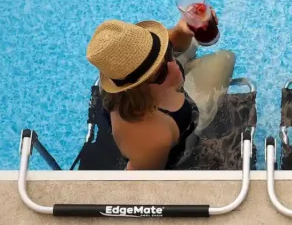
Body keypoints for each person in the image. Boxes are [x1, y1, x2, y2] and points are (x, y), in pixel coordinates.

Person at [86, 18, 235, 169]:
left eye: (166, 52)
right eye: (160, 73)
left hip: (164, 91)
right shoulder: (149, 138)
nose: (175, 66)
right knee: (225, 58)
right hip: (184, 118)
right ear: (138, 88)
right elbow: (140, 180)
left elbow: (172, 46)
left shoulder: (128, 61)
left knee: (194, 37)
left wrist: (182, 32)